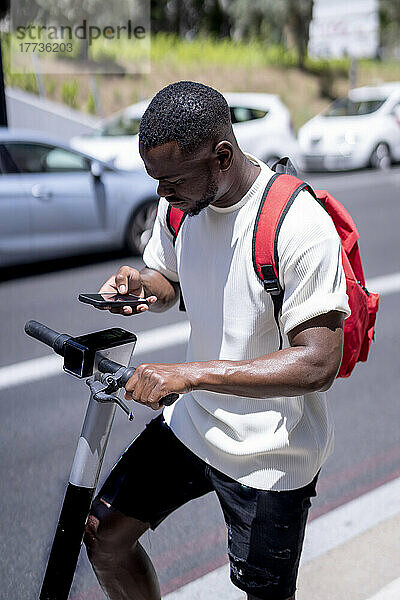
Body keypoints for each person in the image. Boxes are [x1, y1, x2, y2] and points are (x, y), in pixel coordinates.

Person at [84, 81, 350, 600]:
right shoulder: (183, 203)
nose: (161, 194)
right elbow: (170, 279)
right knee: (103, 537)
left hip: (272, 452)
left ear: (222, 156)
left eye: (172, 180)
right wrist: (144, 286)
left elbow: (319, 363)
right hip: (194, 423)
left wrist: (190, 373)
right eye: (154, 179)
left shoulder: (296, 223)